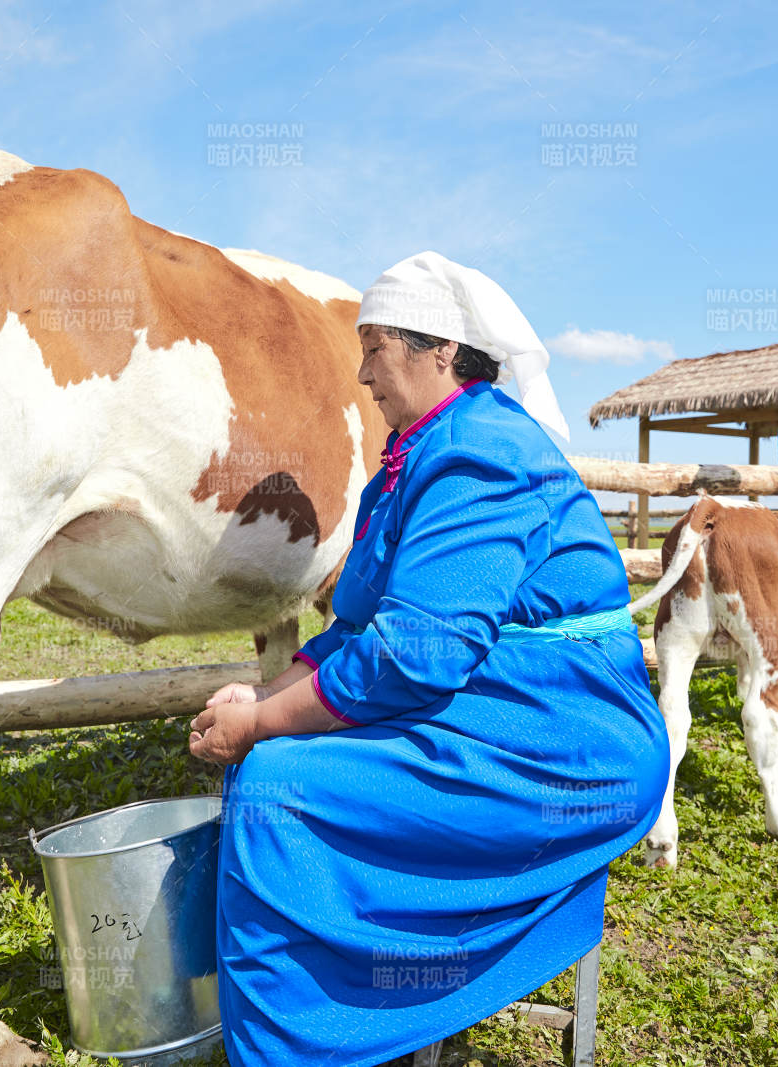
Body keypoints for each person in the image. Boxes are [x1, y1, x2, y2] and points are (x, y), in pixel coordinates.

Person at [187, 251, 669, 1067]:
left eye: (375, 348)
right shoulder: (414, 456)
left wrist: (263, 725)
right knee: (271, 769)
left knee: (275, 785)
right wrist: (263, 697)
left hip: (566, 738)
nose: (362, 372)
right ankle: (349, 1007)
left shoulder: (480, 450)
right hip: (497, 707)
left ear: (440, 349)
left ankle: (314, 1036)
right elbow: (355, 629)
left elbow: (415, 655)